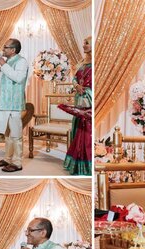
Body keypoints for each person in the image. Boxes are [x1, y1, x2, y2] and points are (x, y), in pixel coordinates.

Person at [0, 38, 29, 173]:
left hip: (14, 103)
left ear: (13, 50)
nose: (3, 49)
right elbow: (4, 79)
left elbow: (18, 78)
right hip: (4, 102)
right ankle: (7, 158)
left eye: (6, 47)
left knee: (15, 133)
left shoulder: (21, 61)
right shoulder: (9, 62)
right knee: (8, 132)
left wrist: (3, 65)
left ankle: (17, 162)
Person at [60, 36, 93, 176]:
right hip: (79, 98)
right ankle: (76, 164)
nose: (83, 45)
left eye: (86, 43)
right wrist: (77, 86)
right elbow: (74, 79)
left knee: (87, 131)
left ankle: (86, 166)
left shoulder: (98, 63)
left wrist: (86, 90)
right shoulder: (81, 62)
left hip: (90, 100)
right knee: (78, 127)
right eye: (83, 43)